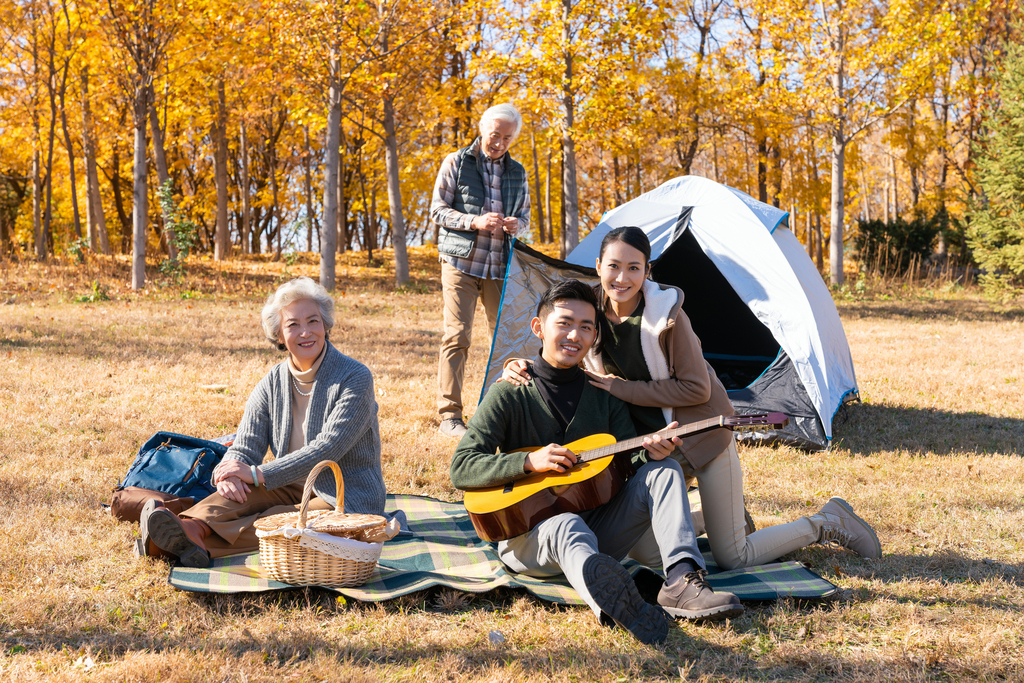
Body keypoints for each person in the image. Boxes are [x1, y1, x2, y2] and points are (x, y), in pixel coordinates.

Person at [501, 227, 882, 571]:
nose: (622, 278)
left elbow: (696, 389)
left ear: (647, 271)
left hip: (701, 435)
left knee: (734, 556)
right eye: (614, 266)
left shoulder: (668, 317)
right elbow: (559, 345)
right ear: (598, 266)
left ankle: (827, 522)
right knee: (646, 555)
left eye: (634, 268)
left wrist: (621, 388)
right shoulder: (590, 312)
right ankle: (709, 515)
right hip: (650, 448)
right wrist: (520, 365)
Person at [451, 280, 743, 645]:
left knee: (664, 470)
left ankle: (682, 582)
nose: (575, 335)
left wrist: (651, 452)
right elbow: (462, 467)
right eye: (565, 323)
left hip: (601, 527)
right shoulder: (510, 391)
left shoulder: (602, 393)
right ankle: (612, 605)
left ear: (594, 336)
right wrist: (528, 461)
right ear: (539, 328)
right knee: (566, 525)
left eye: (586, 327)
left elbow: (628, 461)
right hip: (529, 535)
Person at [136, 277, 387, 568]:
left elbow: (328, 448)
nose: (306, 332)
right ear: (279, 335)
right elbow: (245, 445)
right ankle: (189, 529)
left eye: (313, 321)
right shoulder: (271, 383)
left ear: (326, 326)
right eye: (293, 324)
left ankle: (185, 539)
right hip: (289, 481)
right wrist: (229, 473)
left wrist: (256, 474)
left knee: (289, 519)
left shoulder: (354, 377)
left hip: (345, 494)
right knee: (239, 493)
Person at [430, 103, 532, 438]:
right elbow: (438, 211)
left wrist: (519, 225)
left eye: (506, 137)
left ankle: (497, 413)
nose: (499, 142)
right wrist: (473, 221)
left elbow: (527, 218)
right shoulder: (457, 162)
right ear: (482, 129)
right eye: (494, 135)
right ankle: (450, 416)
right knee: (457, 335)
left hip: (500, 266)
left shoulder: (518, 171)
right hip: (461, 262)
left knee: (503, 342)